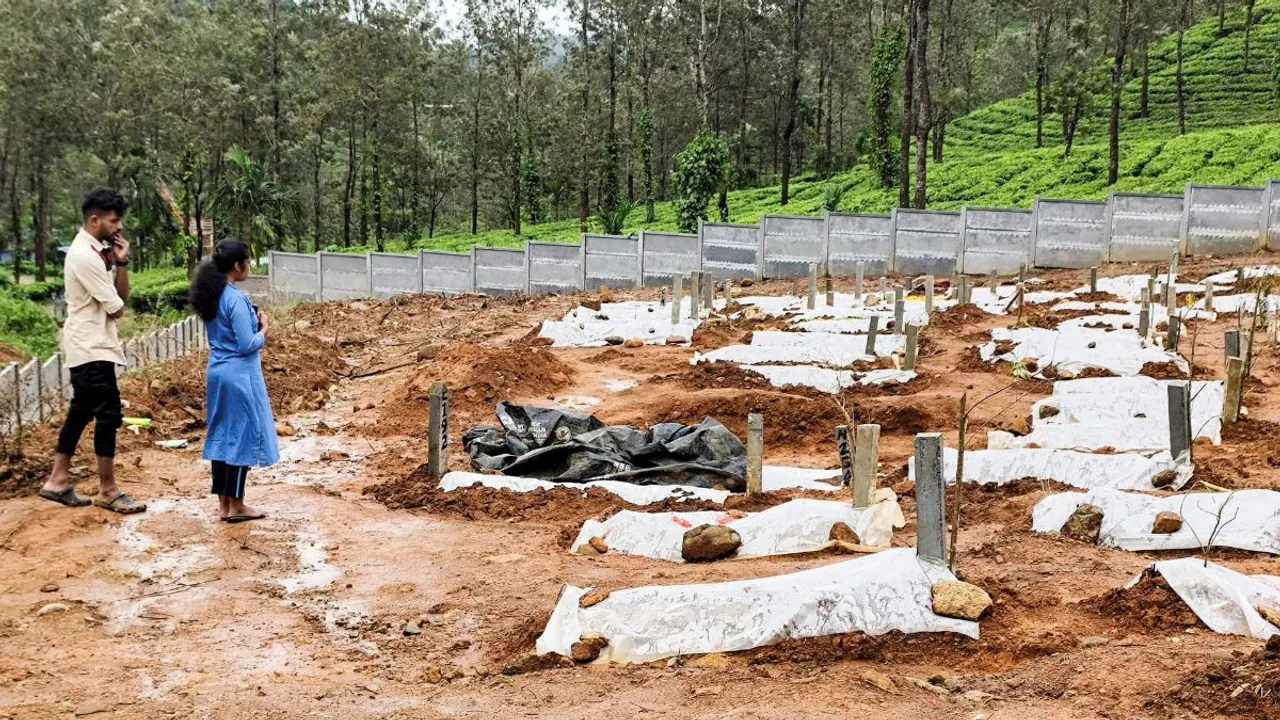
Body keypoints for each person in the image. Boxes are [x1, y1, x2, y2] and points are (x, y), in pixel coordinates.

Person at [39, 188, 146, 514]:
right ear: (95, 219)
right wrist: (117, 265)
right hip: (90, 346)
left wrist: (122, 262)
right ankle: (108, 490)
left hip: (93, 345)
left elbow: (118, 300)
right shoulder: (84, 256)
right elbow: (117, 309)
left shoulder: (97, 252)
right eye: (114, 221)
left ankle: (57, 481)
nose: (118, 227)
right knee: (108, 414)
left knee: (82, 411)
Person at [189, 238, 278, 522]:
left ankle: (223, 503)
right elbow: (245, 343)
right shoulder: (235, 299)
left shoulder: (213, 295)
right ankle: (237, 504)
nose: (249, 267)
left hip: (217, 371)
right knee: (242, 435)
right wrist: (263, 329)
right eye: (248, 262)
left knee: (222, 436)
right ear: (238, 266)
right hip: (239, 375)